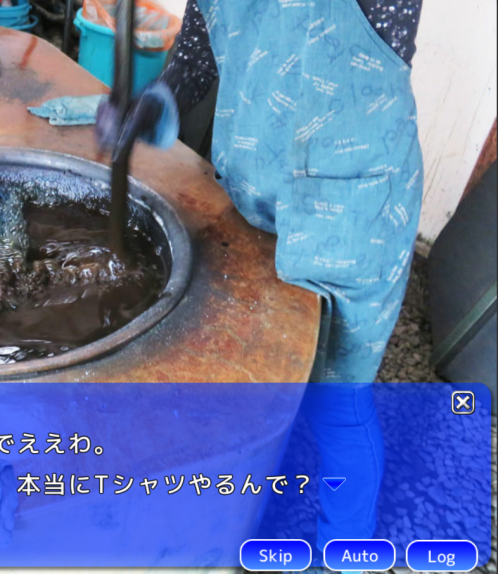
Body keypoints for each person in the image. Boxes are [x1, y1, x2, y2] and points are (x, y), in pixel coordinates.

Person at [97, 0, 423, 559]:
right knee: (259, 368)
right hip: (255, 193)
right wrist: (152, 106)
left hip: (355, 213)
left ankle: (344, 550)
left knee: (337, 402)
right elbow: (196, 57)